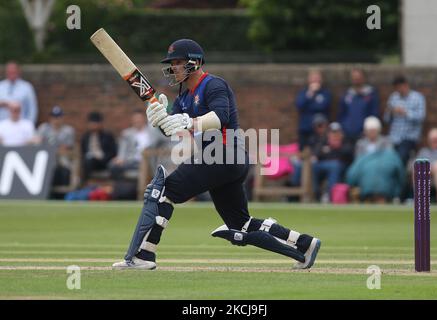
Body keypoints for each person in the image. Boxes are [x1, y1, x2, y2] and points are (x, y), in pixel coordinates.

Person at [112, 39, 321, 270]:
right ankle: (304, 244)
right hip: (225, 161)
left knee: (165, 190)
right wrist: (159, 119)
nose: (174, 68)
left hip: (224, 153)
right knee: (241, 223)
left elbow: (220, 117)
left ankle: (144, 255)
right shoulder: (183, 97)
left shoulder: (213, 85)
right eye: (172, 63)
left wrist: (188, 120)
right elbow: (174, 128)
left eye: (179, 62)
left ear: (195, 62)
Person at [346, 117, 404, 203]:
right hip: (364, 170)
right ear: (365, 131)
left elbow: (390, 159)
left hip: (382, 169)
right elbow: (358, 162)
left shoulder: (386, 142)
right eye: (370, 130)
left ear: (378, 130)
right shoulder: (360, 144)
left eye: (374, 130)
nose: (372, 133)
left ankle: (382, 196)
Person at [384, 75, 426, 165]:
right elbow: (386, 119)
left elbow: (421, 117)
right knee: (386, 158)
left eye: (400, 87)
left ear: (406, 85)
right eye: (396, 88)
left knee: (401, 157)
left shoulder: (418, 97)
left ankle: (401, 179)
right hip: (393, 137)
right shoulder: (393, 97)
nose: (398, 90)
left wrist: (405, 112)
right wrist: (391, 113)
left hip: (409, 137)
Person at [312, 122, 354, 202]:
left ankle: (331, 195)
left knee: (334, 166)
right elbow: (316, 154)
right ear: (328, 134)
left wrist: (336, 147)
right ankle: (315, 194)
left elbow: (348, 154)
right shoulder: (324, 141)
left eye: (337, 132)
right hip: (323, 166)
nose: (335, 135)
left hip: (340, 167)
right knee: (313, 166)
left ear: (341, 133)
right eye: (332, 132)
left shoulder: (345, 142)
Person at [35, 106, 76, 187]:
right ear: (50, 118)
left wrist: (52, 149)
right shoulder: (44, 128)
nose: (56, 119)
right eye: (54, 117)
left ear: (62, 118)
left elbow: (66, 148)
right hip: (46, 157)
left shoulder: (68, 130)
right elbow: (38, 143)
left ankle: (64, 193)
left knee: (65, 167)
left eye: (58, 117)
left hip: (62, 157)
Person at [109, 109, 154, 180]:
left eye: (139, 118)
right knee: (113, 165)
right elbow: (123, 148)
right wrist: (120, 158)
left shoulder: (151, 133)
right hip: (132, 161)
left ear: (144, 119)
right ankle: (121, 186)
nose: (137, 121)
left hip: (148, 161)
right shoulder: (127, 133)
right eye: (135, 119)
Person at [338, 68, 380, 143]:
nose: (356, 79)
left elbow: (374, 114)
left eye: (358, 77)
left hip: (364, 134)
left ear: (363, 78)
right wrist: (343, 128)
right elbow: (341, 114)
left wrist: (368, 129)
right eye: (354, 77)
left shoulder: (371, 94)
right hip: (347, 134)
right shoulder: (346, 95)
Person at [295, 70, 331, 149]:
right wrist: (310, 94)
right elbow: (300, 105)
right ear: (309, 80)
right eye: (313, 78)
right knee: (303, 151)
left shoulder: (325, 93)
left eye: (317, 78)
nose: (315, 80)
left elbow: (323, 106)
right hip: (305, 128)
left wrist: (309, 106)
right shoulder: (303, 93)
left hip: (320, 129)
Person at [416, 128, 437, 205]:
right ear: (429, 141)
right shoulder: (424, 152)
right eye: (433, 139)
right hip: (427, 175)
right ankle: (420, 200)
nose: (436, 141)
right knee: (420, 169)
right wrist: (430, 168)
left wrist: (436, 167)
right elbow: (415, 164)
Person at [80, 111, 117, 182]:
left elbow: (113, 152)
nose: (93, 125)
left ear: (100, 124)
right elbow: (83, 151)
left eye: (96, 123)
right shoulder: (85, 137)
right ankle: (85, 183)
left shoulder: (107, 136)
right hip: (90, 162)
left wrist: (103, 158)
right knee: (86, 162)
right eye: (92, 123)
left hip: (104, 161)